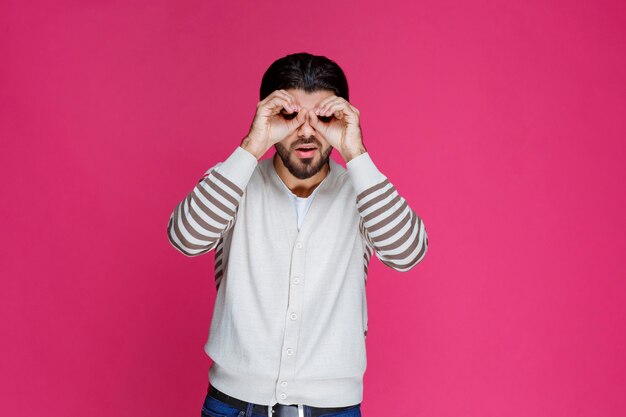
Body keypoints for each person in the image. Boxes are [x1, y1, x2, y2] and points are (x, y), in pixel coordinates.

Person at [167, 52, 429, 417]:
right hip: (233, 403)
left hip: (334, 407)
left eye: (323, 117)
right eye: (289, 116)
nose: (306, 131)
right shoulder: (234, 179)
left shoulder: (364, 190)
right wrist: (251, 146)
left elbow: (408, 254)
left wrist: (356, 153)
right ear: (267, 116)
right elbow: (185, 238)